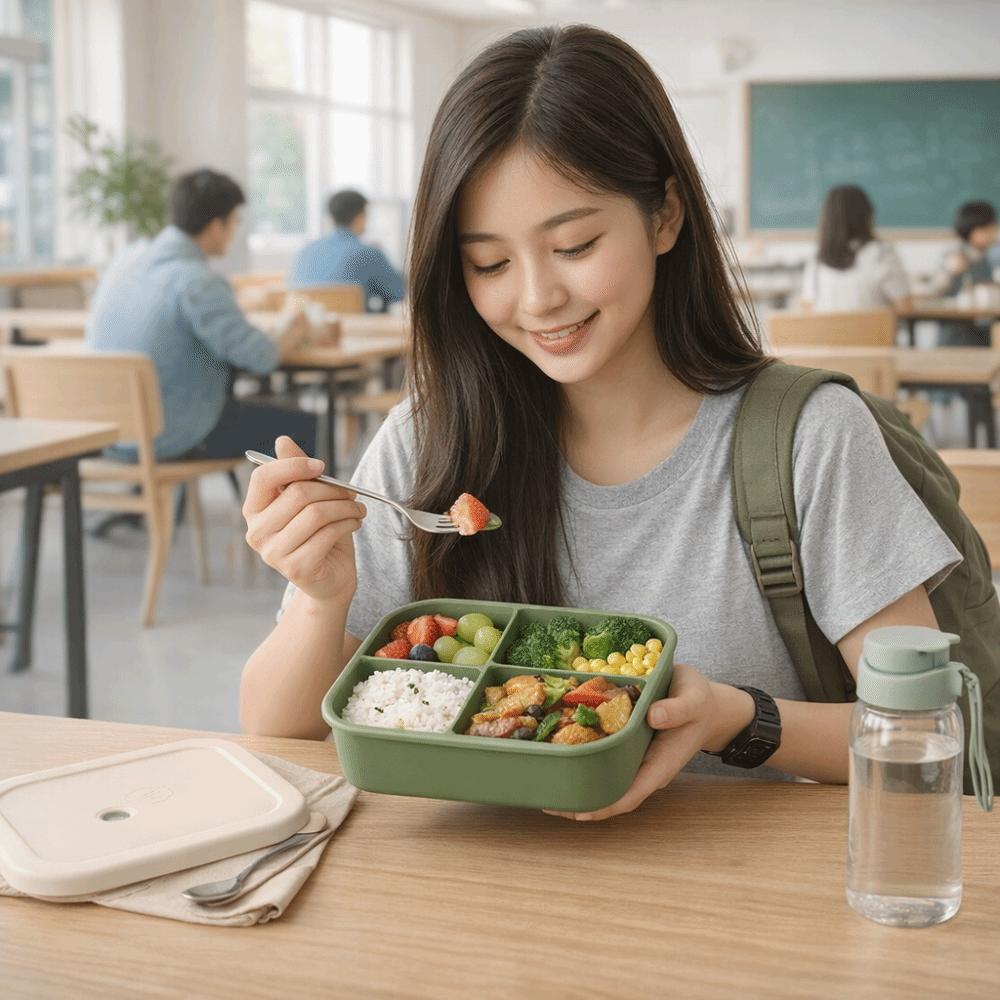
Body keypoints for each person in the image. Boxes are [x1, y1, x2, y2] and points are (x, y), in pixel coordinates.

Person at [239, 26, 960, 819]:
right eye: (490, 263)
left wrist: (734, 717)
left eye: (575, 243)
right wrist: (319, 598)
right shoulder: (430, 439)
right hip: (472, 906)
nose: (539, 296)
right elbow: (279, 730)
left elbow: (926, 729)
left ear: (665, 217)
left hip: (735, 908)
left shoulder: (809, 439)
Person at [87, 169, 318, 463]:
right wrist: (293, 328)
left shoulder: (124, 261)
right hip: (169, 435)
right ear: (216, 226)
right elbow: (261, 358)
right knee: (304, 427)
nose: (235, 231)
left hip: (113, 432)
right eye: (235, 221)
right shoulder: (197, 281)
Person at [289, 189, 405, 312]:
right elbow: (398, 292)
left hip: (309, 328)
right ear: (361, 216)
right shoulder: (369, 254)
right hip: (356, 329)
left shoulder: (305, 251)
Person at [800, 185, 910, 312]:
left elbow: (806, 307)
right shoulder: (881, 253)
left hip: (828, 332)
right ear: (867, 215)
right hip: (872, 331)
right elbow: (905, 306)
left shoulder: (817, 258)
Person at [930, 200, 999, 346]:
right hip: (957, 337)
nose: (995, 232)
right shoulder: (955, 254)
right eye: (992, 228)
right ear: (976, 231)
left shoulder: (985, 256)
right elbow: (935, 290)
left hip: (981, 332)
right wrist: (951, 271)